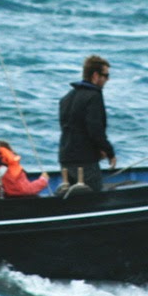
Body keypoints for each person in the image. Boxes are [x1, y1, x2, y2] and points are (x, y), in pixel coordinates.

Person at [57, 54, 114, 192]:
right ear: (95, 76)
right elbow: (95, 129)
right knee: (94, 198)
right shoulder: (93, 96)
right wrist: (109, 152)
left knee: (71, 199)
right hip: (84, 161)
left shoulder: (67, 97)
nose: (107, 79)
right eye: (105, 75)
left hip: (65, 158)